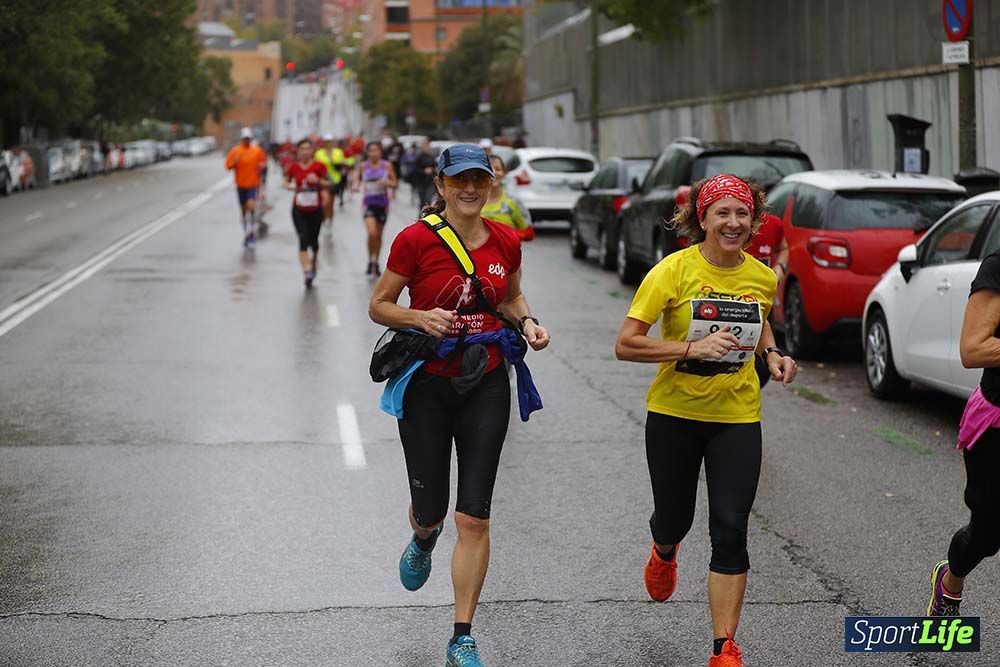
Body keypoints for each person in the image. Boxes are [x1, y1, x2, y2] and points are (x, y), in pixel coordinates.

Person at [369, 143, 549, 667]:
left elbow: (510, 297)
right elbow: (379, 305)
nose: (470, 189)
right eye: (459, 180)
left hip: (486, 383)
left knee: (474, 519)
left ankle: (462, 635)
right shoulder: (413, 240)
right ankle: (422, 537)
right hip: (427, 386)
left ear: (491, 183)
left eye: (480, 179)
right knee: (433, 512)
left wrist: (527, 322)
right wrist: (419, 317)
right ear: (442, 185)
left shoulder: (506, 240)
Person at [614, 174, 799, 667]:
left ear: (754, 221)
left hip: (737, 416)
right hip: (674, 415)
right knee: (676, 517)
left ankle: (724, 646)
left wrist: (775, 352)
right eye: (723, 213)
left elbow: (759, 322)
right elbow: (626, 343)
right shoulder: (671, 272)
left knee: (731, 526)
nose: (733, 223)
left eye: (742, 214)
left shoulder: (763, 275)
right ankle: (664, 548)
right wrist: (690, 348)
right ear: (703, 219)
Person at [925, 248, 1000, 617]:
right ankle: (950, 581)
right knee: (986, 536)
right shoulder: (997, 267)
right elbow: (973, 349)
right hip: (996, 425)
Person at [284, 138, 331, 288]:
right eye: (302, 149)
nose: (305, 152)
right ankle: (306, 271)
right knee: (303, 238)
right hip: (299, 209)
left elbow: (329, 183)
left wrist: (317, 180)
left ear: (312, 151)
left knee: (314, 241)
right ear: (297, 151)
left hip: (315, 209)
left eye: (307, 148)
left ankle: (314, 261)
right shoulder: (293, 167)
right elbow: (286, 181)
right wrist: (290, 186)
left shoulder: (319, 166)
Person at [352, 141, 398, 276]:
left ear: (380, 152)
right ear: (367, 152)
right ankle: (370, 258)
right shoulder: (363, 166)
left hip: (383, 204)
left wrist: (387, 183)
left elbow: (395, 183)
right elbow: (357, 180)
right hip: (368, 203)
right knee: (371, 232)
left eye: (376, 150)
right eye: (371, 150)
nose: (373, 153)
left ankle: (375, 261)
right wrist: (355, 186)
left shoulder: (387, 165)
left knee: (378, 235)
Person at [224, 127, 267, 247]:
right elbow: (227, 166)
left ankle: (251, 232)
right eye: (244, 139)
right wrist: (235, 162)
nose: (246, 141)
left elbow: (264, 163)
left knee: (251, 206)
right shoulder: (235, 151)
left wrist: (261, 166)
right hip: (241, 185)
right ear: (241, 139)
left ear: (251, 139)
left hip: (253, 184)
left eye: (248, 138)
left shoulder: (257, 150)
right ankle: (246, 233)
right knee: (243, 210)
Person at [481, 155, 534, 241]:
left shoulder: (513, 201)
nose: (493, 172)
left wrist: (506, 235)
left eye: (498, 169)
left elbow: (529, 233)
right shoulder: (473, 201)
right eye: (489, 169)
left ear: (504, 173)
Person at [314, 133, 341, 232]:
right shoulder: (319, 153)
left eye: (330, 141)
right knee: (325, 202)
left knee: (331, 203)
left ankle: (330, 219)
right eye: (326, 141)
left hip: (335, 180)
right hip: (323, 180)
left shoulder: (338, 152)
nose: (328, 143)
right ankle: (325, 219)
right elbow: (315, 165)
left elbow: (341, 165)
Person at [414, 139, 438, 209]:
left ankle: (427, 214)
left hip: (430, 182)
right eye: (426, 146)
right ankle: (421, 215)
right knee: (422, 201)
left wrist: (432, 171)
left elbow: (434, 168)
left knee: (428, 199)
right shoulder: (418, 157)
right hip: (421, 182)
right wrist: (424, 171)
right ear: (422, 147)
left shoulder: (431, 157)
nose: (428, 148)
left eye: (429, 146)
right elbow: (415, 169)